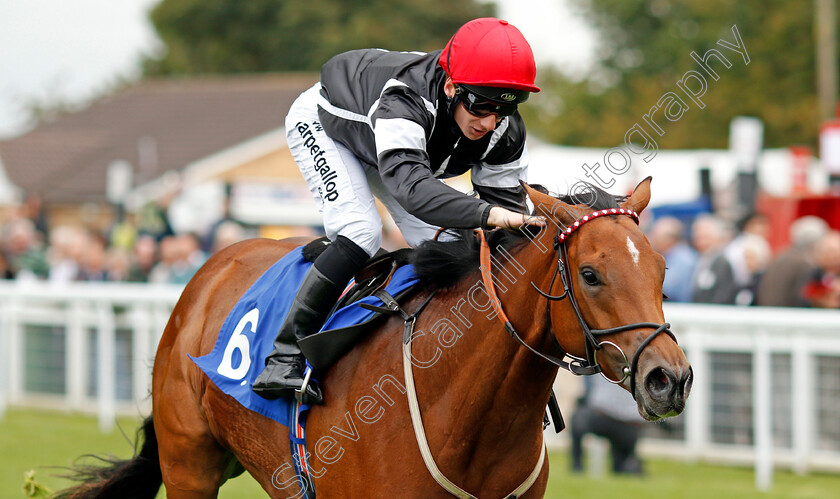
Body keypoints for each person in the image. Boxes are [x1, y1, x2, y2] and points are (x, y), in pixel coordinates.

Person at [253, 17, 544, 402]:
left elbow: (504, 219)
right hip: (330, 128)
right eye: (481, 105)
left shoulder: (503, 130)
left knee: (460, 244)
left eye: (504, 109)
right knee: (361, 231)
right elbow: (411, 189)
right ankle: (284, 356)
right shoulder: (406, 99)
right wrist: (487, 214)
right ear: (452, 85)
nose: (489, 123)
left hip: (398, 155)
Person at [570, 375, 646, 475]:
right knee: (621, 465)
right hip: (631, 424)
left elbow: (588, 387)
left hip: (602, 417)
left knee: (577, 418)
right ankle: (629, 465)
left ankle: (577, 465)